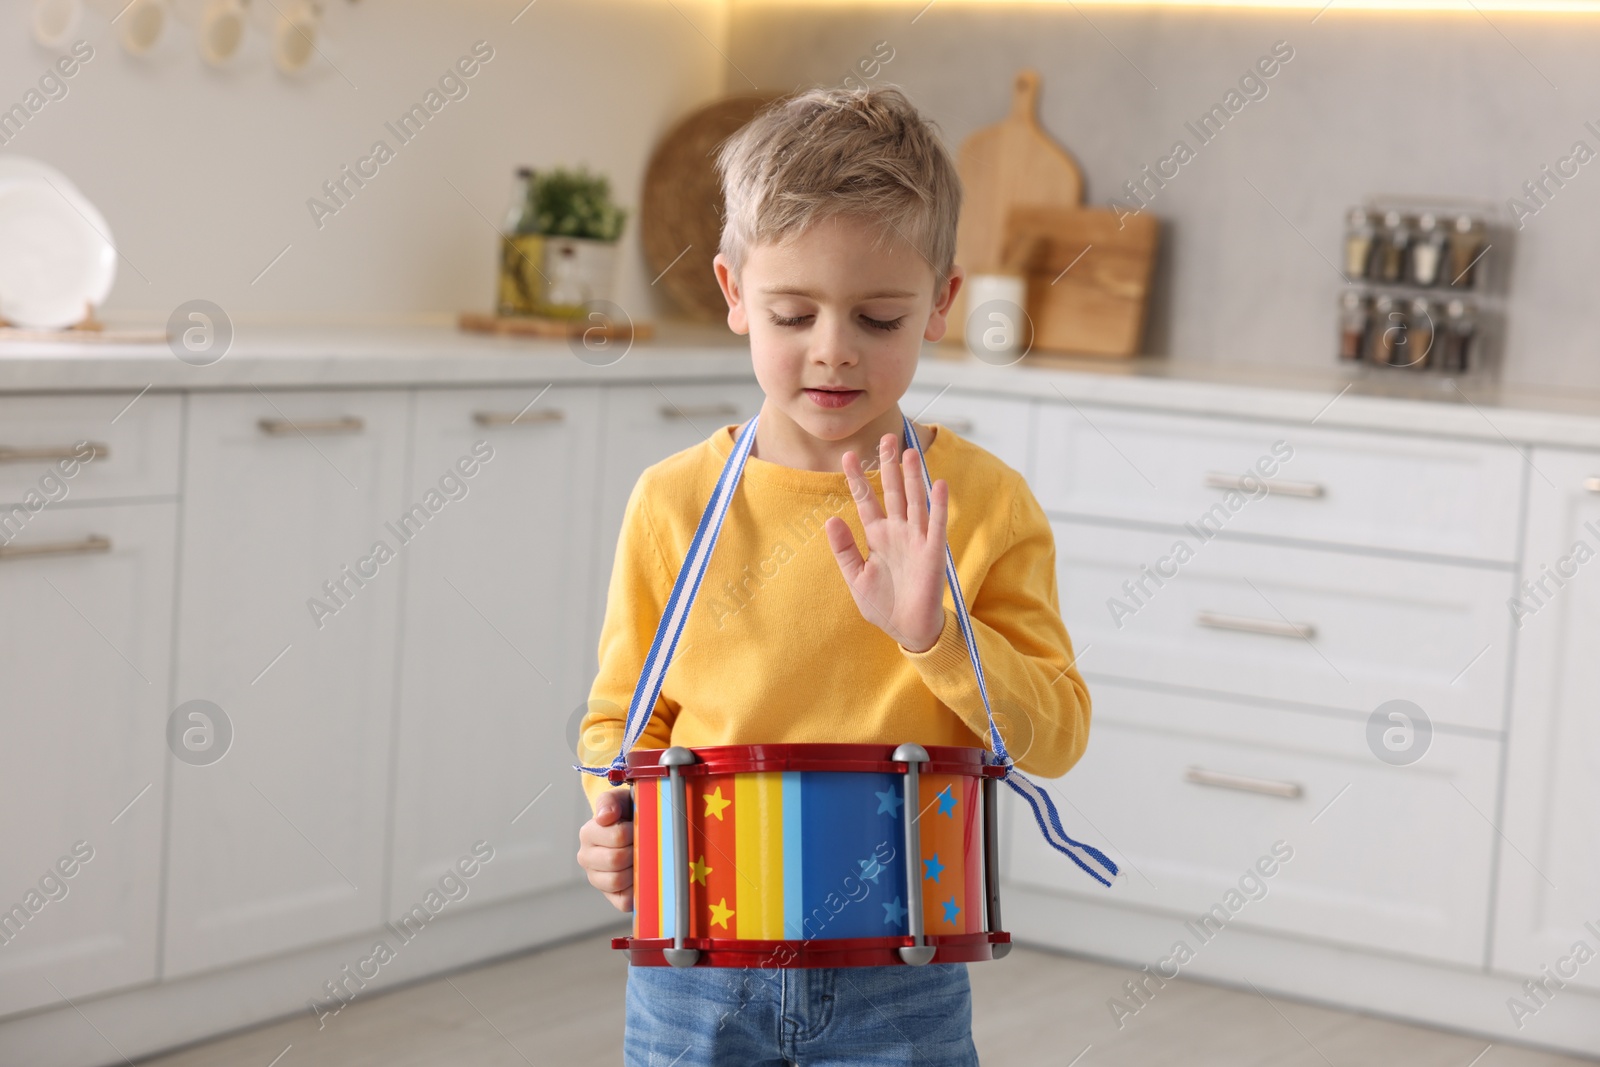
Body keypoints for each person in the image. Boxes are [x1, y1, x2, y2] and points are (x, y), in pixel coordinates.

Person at [574, 83, 1093, 1067]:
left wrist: (934, 634)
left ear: (941, 302)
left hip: (900, 971)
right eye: (792, 311)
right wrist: (609, 818)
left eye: (879, 316)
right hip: (694, 963)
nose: (833, 350)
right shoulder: (672, 502)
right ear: (733, 293)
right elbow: (624, 722)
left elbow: (1056, 734)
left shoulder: (982, 505)